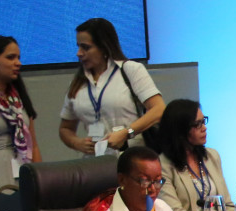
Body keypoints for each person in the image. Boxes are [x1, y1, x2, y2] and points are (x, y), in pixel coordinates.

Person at [59, 18, 164, 156]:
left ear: (104, 47)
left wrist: (127, 133)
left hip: (132, 157)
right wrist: (77, 143)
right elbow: (65, 128)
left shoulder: (130, 69)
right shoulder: (78, 83)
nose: (79, 53)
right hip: (95, 161)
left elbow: (159, 110)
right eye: (78, 46)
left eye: (86, 47)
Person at [157, 99, 236, 211]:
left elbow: (227, 204)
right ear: (180, 130)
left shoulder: (212, 156)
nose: (204, 128)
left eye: (204, 121)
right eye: (197, 124)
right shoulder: (163, 165)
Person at [0, 35, 39, 198]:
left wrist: (40, 181)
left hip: (20, 176)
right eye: (11, 57)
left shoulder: (18, 97)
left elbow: (33, 145)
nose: (18, 63)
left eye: (18, 57)